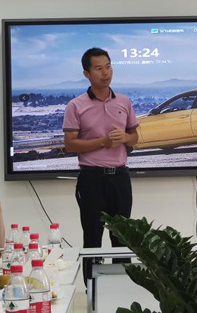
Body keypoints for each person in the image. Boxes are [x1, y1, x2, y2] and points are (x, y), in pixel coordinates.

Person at [63, 47, 139, 281]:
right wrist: (102, 142)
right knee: (93, 237)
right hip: (91, 179)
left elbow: (134, 137)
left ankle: (121, 288)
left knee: (122, 237)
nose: (105, 73)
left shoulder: (124, 101)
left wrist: (125, 138)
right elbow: (70, 144)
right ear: (87, 74)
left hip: (120, 177)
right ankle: (92, 291)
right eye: (98, 68)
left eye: (108, 66)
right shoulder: (76, 105)